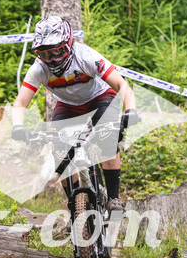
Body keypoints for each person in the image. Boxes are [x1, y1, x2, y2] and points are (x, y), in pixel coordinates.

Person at [11, 15, 139, 213]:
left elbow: (122, 85)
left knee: (108, 138)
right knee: (60, 153)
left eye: (57, 51)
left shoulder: (87, 56)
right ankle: (74, 205)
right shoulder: (38, 69)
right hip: (68, 105)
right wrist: (18, 126)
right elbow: (20, 102)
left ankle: (113, 199)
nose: (52, 59)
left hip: (100, 97)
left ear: (68, 45)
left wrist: (130, 111)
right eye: (45, 54)